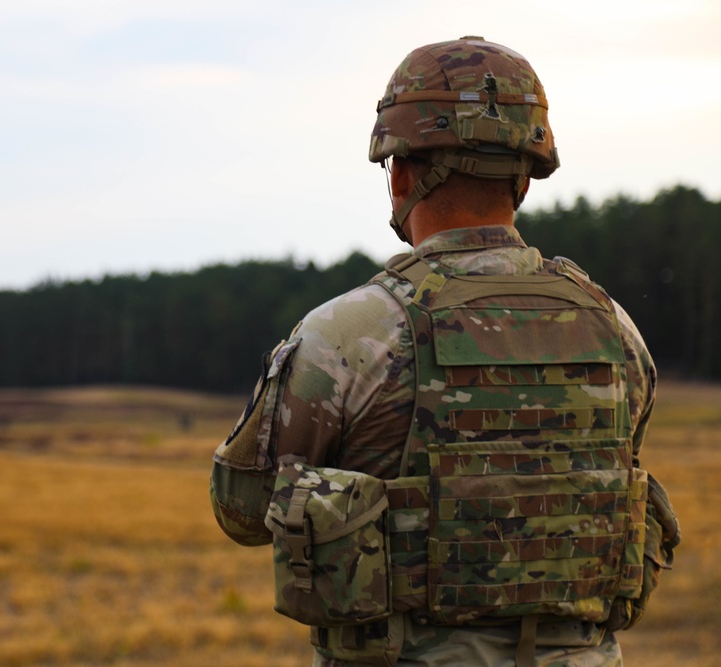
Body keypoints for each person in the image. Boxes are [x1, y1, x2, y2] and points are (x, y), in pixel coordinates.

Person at [209, 36, 679, 667]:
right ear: (523, 177)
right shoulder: (615, 329)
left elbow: (240, 509)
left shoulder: (352, 333)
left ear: (401, 170)